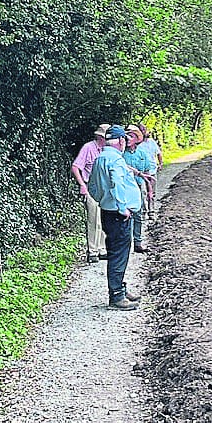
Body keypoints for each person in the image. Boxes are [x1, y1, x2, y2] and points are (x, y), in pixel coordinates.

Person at [88, 124, 142, 311]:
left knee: (114, 252)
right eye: (125, 141)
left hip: (107, 211)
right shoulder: (116, 161)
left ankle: (120, 288)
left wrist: (102, 200)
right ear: (120, 141)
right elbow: (118, 184)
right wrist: (123, 208)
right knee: (119, 254)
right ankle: (117, 296)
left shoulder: (99, 159)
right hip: (119, 215)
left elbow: (92, 187)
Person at [71, 123, 110, 263]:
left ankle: (102, 249)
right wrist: (82, 185)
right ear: (101, 137)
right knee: (93, 220)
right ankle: (92, 251)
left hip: (105, 189)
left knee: (103, 219)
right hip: (91, 187)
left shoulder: (107, 150)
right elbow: (76, 167)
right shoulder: (88, 148)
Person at [123, 125, 152, 253]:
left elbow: (147, 173)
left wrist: (149, 191)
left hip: (138, 187)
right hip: (124, 188)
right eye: (127, 136)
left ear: (137, 138)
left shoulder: (142, 154)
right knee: (124, 215)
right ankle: (125, 243)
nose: (129, 138)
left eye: (132, 136)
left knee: (138, 215)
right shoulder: (121, 153)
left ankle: (138, 242)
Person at [137, 123, 163, 216]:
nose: (143, 132)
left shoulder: (151, 142)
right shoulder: (136, 145)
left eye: (143, 129)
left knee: (151, 192)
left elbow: (159, 153)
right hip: (141, 172)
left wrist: (160, 163)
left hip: (152, 170)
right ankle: (144, 210)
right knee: (143, 192)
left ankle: (151, 210)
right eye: (140, 130)